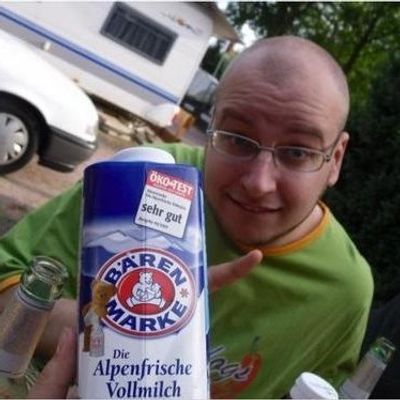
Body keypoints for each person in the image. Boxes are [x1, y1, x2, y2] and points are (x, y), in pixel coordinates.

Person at [0, 35, 373, 399]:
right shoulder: (145, 177)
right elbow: (7, 290)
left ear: (336, 159)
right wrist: (138, 330)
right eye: (237, 139)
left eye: (297, 152)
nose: (259, 183)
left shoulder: (345, 290)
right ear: (210, 131)